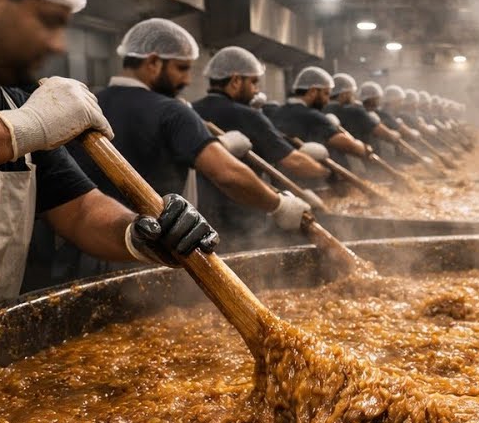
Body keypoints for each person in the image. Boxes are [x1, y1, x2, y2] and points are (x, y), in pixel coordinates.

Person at [0, 0, 217, 329]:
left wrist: (139, 234)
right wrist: (29, 126)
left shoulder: (14, 99)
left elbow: (80, 210)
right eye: (49, 22)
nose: (59, 45)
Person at [67, 18, 304, 266]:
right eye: (182, 68)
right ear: (153, 62)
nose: (188, 80)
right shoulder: (172, 111)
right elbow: (228, 174)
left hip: (88, 247)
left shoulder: (90, 106)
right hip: (148, 250)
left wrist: (216, 144)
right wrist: (279, 205)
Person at [190, 46, 327, 242]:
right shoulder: (249, 116)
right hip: (246, 218)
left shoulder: (192, 111)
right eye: (253, 82)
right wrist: (325, 172)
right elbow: (293, 162)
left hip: (202, 216)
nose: (257, 90)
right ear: (236, 80)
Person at [270, 67, 369, 172]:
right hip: (309, 180)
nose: (327, 101)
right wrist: (365, 149)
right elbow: (349, 146)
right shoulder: (312, 116)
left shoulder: (277, 112)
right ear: (313, 91)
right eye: (326, 94)